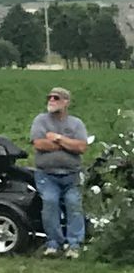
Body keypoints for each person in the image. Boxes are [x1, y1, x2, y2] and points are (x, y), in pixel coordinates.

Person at [29, 87, 92, 256]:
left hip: (72, 175)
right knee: (50, 202)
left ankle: (74, 245)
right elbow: (39, 144)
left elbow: (81, 147)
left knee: (73, 204)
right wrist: (68, 145)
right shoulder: (40, 121)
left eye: (56, 98)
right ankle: (53, 243)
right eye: (49, 97)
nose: (51, 100)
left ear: (66, 102)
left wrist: (58, 139)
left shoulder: (76, 123)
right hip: (46, 175)